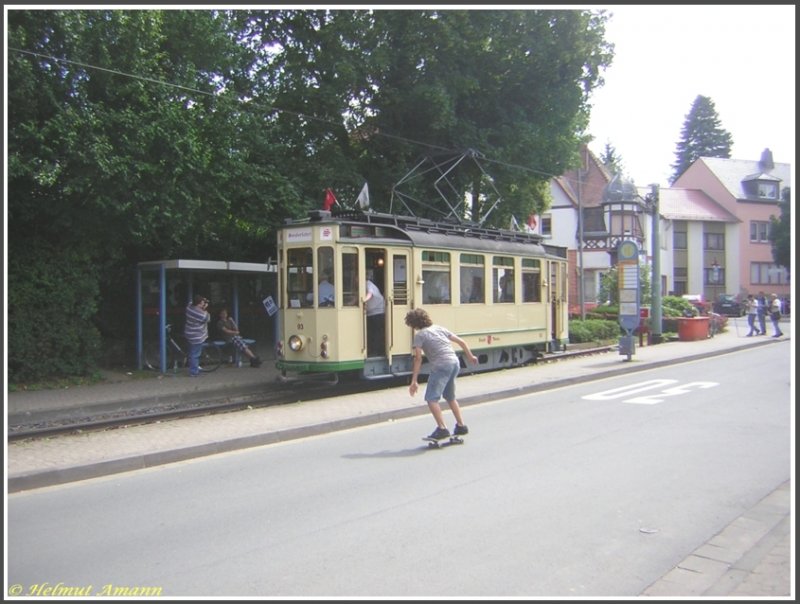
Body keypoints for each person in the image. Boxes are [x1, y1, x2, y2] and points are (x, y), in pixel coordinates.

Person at [405, 307, 478, 441]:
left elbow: (418, 358)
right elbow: (461, 342)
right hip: (454, 362)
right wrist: (470, 357)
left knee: (431, 398)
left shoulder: (420, 335)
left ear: (414, 324)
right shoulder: (439, 328)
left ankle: (442, 429)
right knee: (450, 397)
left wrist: (414, 380)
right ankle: (461, 426)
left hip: (441, 365)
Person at [184, 294, 211, 377]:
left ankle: (195, 367)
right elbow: (208, 318)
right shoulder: (200, 314)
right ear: (198, 304)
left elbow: (192, 302)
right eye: (202, 303)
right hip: (197, 336)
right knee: (195, 354)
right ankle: (194, 372)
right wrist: (205, 308)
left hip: (189, 333)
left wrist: (202, 301)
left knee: (192, 352)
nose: (203, 304)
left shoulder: (189, 307)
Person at [363, 273, 385, 356]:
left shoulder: (368, 284)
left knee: (375, 333)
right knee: (372, 332)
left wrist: (363, 300)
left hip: (377, 312)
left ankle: (375, 352)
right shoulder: (363, 285)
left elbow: (370, 293)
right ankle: (373, 351)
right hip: (372, 313)